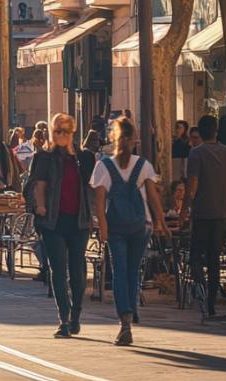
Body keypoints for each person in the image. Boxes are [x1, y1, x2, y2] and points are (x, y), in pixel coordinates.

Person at [90, 117, 168, 346]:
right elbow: (153, 198)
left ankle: (124, 320)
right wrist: (161, 223)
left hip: (116, 227)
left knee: (120, 272)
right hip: (140, 226)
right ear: (135, 140)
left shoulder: (104, 165)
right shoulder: (143, 165)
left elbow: (99, 202)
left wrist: (103, 229)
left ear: (112, 138)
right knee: (134, 271)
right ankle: (131, 310)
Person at [30, 113, 94, 339]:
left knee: (77, 270)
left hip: (79, 221)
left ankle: (76, 313)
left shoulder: (85, 158)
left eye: (65, 131)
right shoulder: (45, 157)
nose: (61, 135)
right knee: (58, 270)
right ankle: (64, 319)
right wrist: (40, 206)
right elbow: (39, 184)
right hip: (53, 220)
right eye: (57, 131)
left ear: (73, 132)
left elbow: (92, 186)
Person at [184, 114, 226, 318]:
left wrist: (185, 208)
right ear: (216, 131)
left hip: (202, 212)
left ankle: (200, 291)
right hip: (222, 213)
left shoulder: (196, 154)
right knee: (214, 259)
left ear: (200, 133)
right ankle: (211, 303)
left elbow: (192, 184)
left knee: (195, 256)